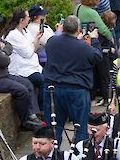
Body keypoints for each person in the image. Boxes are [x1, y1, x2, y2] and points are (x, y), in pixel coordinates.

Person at [43, 15, 103, 146]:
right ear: (78, 29)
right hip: (77, 91)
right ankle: (79, 158)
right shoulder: (84, 47)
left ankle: (53, 159)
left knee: (53, 128)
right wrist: (94, 40)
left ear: (63, 27)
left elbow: (64, 46)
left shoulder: (52, 42)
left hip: (53, 89)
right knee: (81, 127)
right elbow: (97, 57)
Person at [2, 9, 45, 113]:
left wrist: (36, 40)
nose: (29, 19)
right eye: (28, 17)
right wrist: (32, 46)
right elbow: (28, 53)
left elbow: (34, 47)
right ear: (22, 20)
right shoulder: (13, 35)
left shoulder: (25, 31)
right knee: (44, 82)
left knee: (51, 77)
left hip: (33, 66)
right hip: (21, 69)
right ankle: (42, 110)